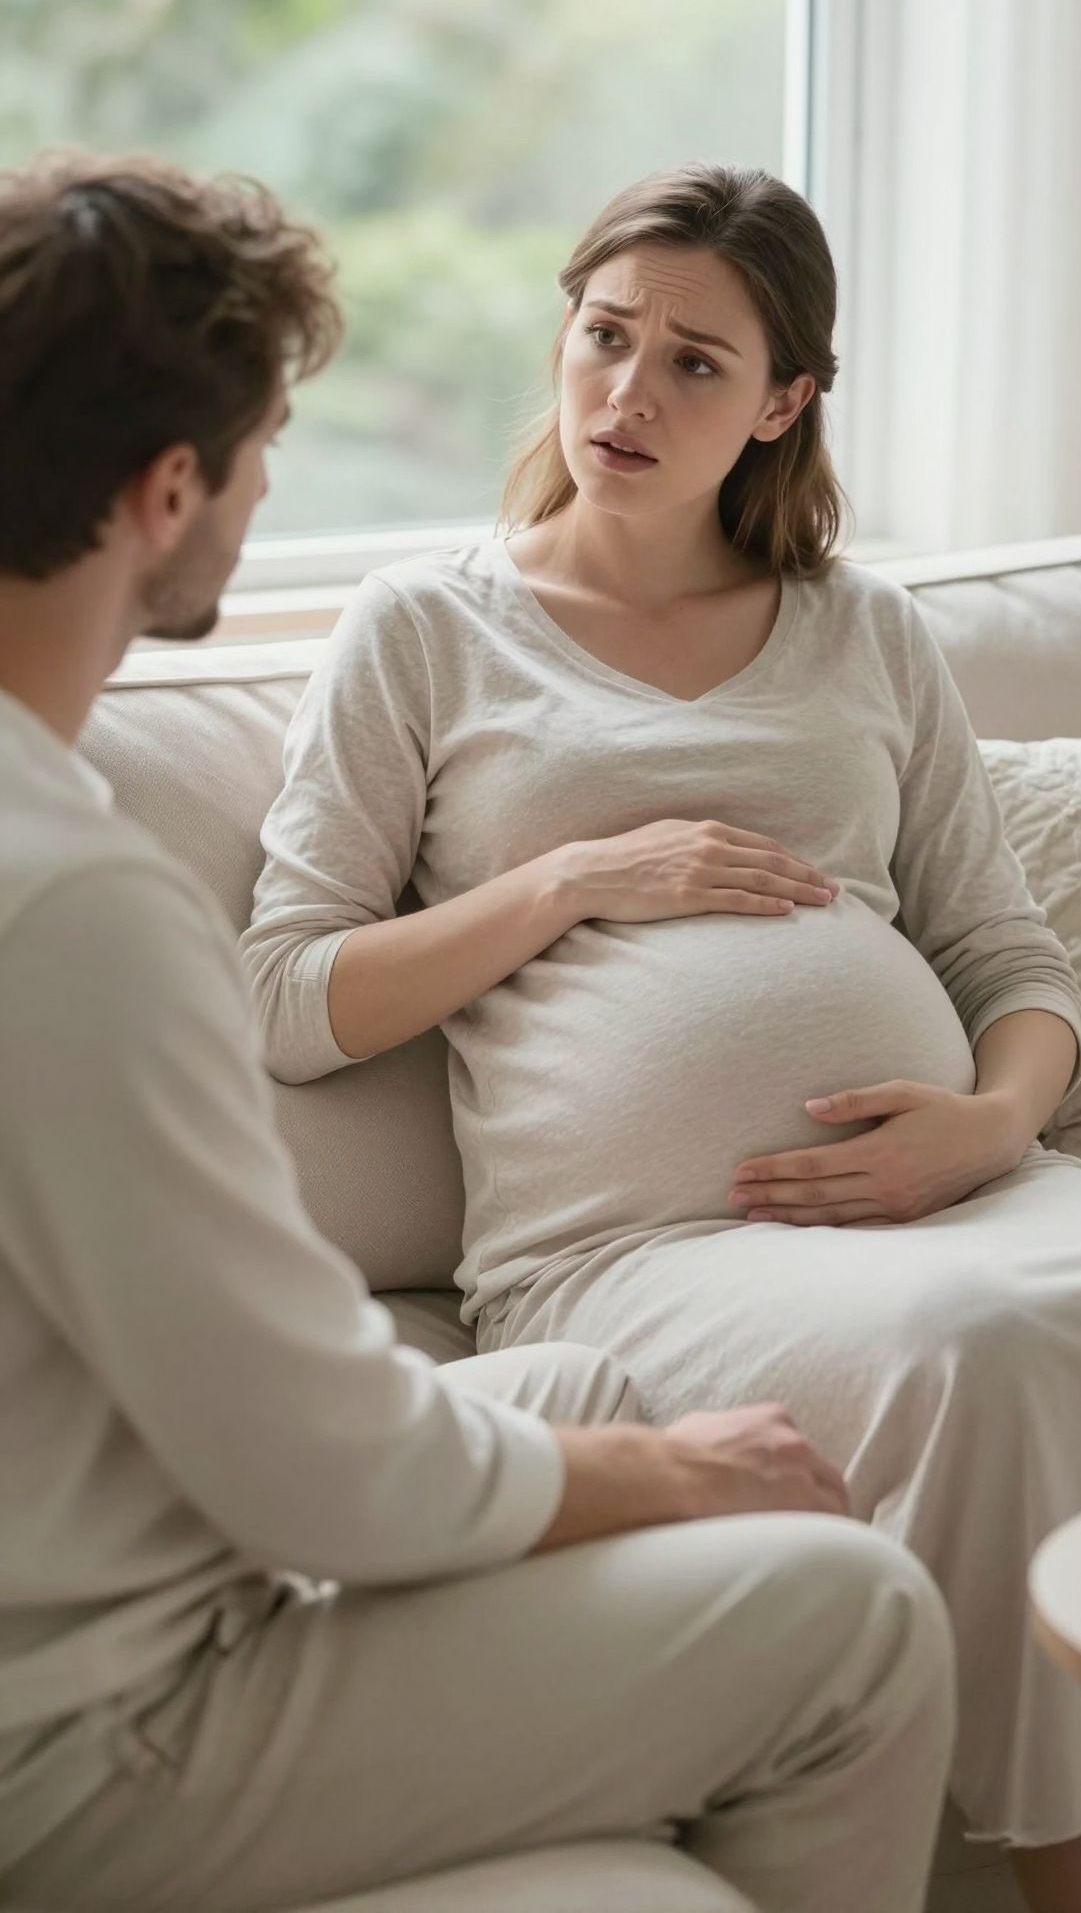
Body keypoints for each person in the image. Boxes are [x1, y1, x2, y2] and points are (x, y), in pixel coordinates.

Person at [0, 151, 955, 1913]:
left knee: (579, 1396)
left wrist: (617, 1451)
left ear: (781, 404)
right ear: (167, 490)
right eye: (269, 443)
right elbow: (316, 1462)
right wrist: (675, 1468)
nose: (279, 479)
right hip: (89, 1726)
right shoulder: (74, 905)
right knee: (864, 1614)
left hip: (107, 1571)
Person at [244, 161, 1081, 1913]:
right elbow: (288, 1000)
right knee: (982, 1346)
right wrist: (576, 876)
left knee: (1037, 1300)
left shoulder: (863, 631)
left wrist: (988, 1124)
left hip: (971, 1190)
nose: (629, 396)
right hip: (638, 1244)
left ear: (785, 401)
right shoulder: (426, 629)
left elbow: (1010, 959)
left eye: (695, 365)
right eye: (605, 339)